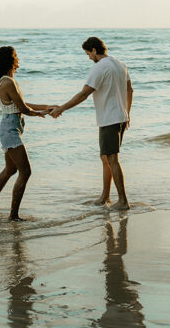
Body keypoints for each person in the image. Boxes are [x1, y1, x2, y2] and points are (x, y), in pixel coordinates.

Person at [50, 36, 133, 210]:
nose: (89, 57)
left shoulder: (100, 67)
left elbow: (83, 94)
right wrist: (127, 113)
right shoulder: (120, 64)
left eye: (88, 54)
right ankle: (105, 197)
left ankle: (123, 201)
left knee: (112, 159)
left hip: (109, 119)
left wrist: (61, 108)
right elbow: (129, 89)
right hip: (120, 117)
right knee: (106, 158)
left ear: (94, 50)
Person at [0, 45, 52, 221]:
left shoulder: (8, 81)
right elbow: (23, 108)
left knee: (10, 169)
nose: (18, 59)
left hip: (11, 127)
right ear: (11, 60)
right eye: (16, 56)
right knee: (25, 171)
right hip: (10, 130)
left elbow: (22, 104)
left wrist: (45, 107)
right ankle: (13, 216)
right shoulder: (7, 82)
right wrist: (40, 113)